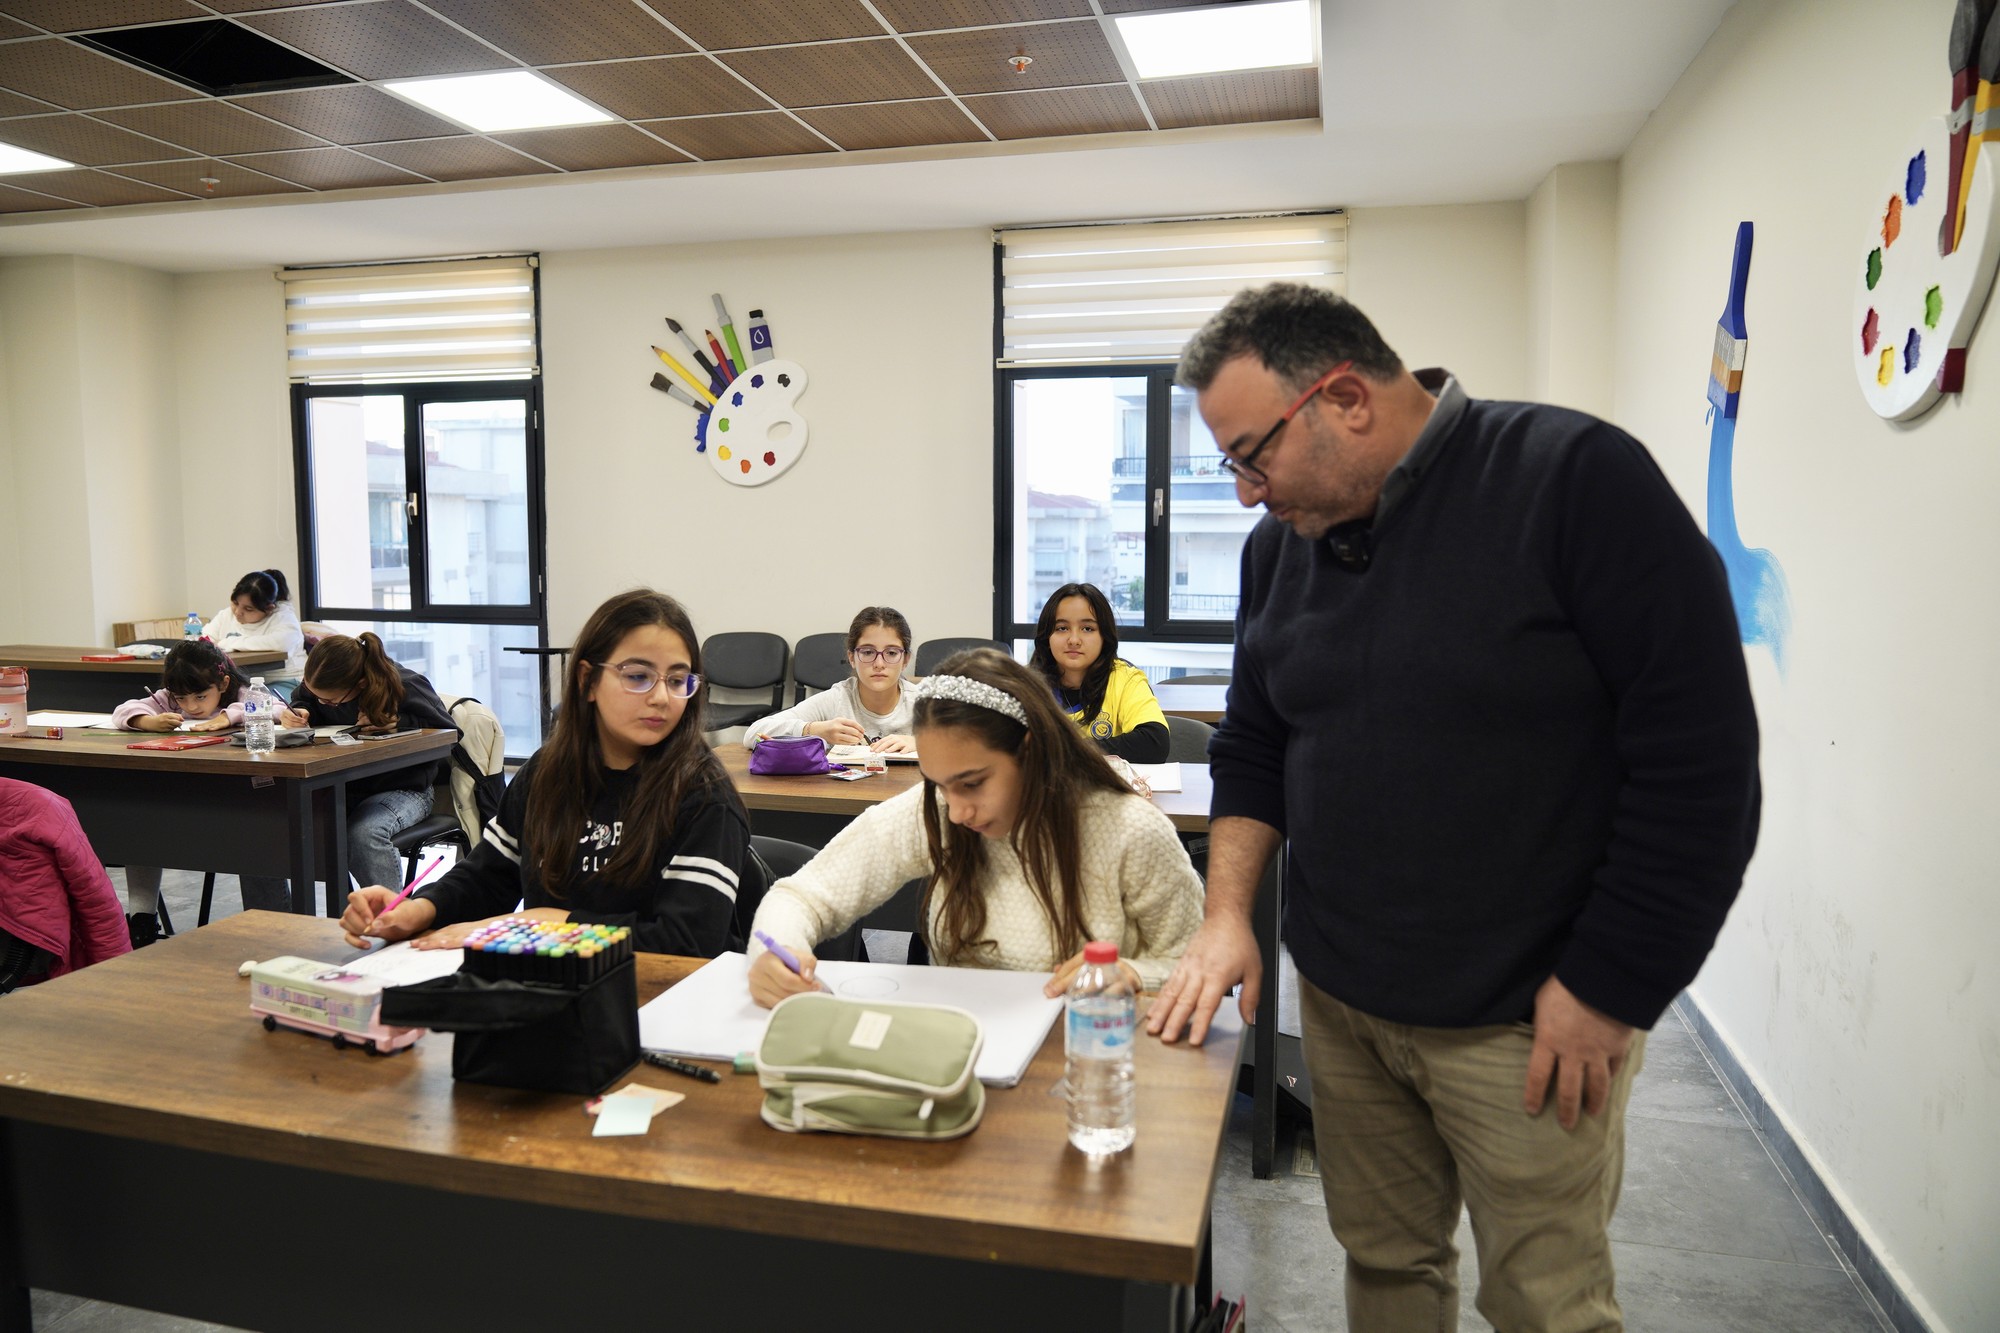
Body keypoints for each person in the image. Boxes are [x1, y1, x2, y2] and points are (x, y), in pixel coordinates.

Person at [1149, 282, 1762, 1332]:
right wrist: (1224, 916)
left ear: (1342, 398)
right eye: (1230, 465)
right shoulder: (1277, 550)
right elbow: (1252, 742)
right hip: (1341, 1002)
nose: (1245, 494)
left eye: (1252, 455)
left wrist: (1607, 986)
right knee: (1384, 1265)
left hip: (1525, 1018)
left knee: (1543, 1299)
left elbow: (1699, 768)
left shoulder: (1572, 482)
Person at [748, 647, 1202, 1007]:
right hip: (970, 1052)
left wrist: (1134, 974)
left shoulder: (1129, 830)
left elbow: (1194, 966)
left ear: (1030, 750)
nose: (958, 810)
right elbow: (805, 894)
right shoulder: (941, 807)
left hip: (1088, 1059)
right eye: (942, 784)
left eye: (973, 783)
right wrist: (775, 951)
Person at [340, 590, 752, 959]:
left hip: (670, 1007)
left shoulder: (704, 795)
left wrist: (549, 923)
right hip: (559, 997)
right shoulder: (547, 773)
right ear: (587, 680)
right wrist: (416, 909)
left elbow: (687, 944)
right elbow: (489, 876)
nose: (661, 697)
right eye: (638, 677)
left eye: (678, 680)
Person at [258, 632, 456, 909]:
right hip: (342, 786)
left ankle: (391, 919)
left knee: (363, 834)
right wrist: (301, 711)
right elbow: (304, 699)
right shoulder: (318, 688)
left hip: (404, 790)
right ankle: (273, 925)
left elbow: (451, 732)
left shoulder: (406, 685)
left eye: (331, 702)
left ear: (360, 684)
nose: (324, 703)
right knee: (261, 829)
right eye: (316, 695)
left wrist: (399, 722)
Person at [109, 640, 252, 945]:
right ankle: (142, 919)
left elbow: (272, 707)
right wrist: (148, 721)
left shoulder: (239, 693)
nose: (191, 707)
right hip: (175, 790)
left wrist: (227, 717)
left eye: (201, 696)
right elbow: (123, 711)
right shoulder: (167, 701)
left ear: (223, 683)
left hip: (235, 798)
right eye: (181, 698)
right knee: (141, 824)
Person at [0, 778, 132, 988]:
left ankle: (144, 916)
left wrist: (113, 981)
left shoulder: (38, 809)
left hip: (21, 944)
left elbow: (95, 899)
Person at [743, 606, 917, 752]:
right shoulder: (837, 699)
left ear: (906, 660)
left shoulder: (923, 702)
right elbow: (753, 734)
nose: (879, 663)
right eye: (868, 652)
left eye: (892, 653)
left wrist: (920, 743)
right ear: (851, 658)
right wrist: (813, 730)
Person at [1029, 583, 1169, 763]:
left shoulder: (1125, 679)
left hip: (1107, 789)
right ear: (1047, 637)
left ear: (1104, 636)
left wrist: (1071, 749)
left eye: (1087, 629)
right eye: (1062, 628)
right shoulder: (1026, 684)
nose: (1074, 640)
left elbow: (1155, 743)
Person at [202, 569, 305, 689]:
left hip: (284, 681)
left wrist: (228, 642)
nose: (238, 612)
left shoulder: (283, 617)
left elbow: (281, 643)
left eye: (248, 609)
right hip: (244, 682)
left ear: (269, 608)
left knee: (258, 705)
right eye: (235, 603)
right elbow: (206, 639)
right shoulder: (227, 614)